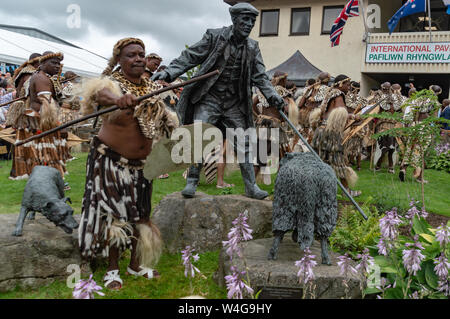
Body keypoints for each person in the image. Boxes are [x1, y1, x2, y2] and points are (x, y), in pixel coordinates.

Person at [152, 2, 285, 200]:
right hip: (209, 98)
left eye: (252, 21)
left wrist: (272, 94)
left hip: (235, 103)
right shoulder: (214, 36)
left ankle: (251, 187)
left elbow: (260, 76)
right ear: (234, 19)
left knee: (245, 143)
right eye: (245, 20)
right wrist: (170, 72)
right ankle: (192, 182)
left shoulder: (252, 47)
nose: (249, 24)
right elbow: (191, 56)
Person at [78, 38, 175, 290]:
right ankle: (112, 269)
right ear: (119, 60)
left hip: (143, 164)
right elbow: (98, 93)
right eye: (131, 55)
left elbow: (164, 121)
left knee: (141, 215)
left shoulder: (151, 87)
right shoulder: (110, 84)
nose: (139, 59)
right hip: (110, 161)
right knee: (115, 217)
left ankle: (135, 264)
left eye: (141, 54)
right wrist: (118, 99)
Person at [310, 74, 361, 197]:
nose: (349, 87)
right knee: (339, 161)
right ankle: (347, 192)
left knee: (321, 161)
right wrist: (355, 116)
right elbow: (341, 113)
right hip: (331, 133)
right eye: (347, 84)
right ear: (340, 84)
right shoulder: (338, 94)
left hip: (321, 131)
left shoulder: (329, 94)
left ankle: (314, 189)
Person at [399, 85, 442, 183]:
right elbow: (435, 119)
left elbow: (408, 114)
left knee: (410, 148)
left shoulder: (418, 100)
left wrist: (407, 128)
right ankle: (419, 176)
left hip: (415, 126)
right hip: (425, 128)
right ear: (438, 93)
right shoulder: (435, 103)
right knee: (422, 151)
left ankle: (403, 169)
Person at [374, 82, 403, 174]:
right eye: (384, 88)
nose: (385, 90)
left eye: (387, 88)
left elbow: (400, 111)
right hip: (383, 125)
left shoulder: (397, 99)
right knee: (384, 146)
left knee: (392, 147)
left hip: (393, 125)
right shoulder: (380, 98)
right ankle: (379, 164)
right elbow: (377, 111)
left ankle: (390, 166)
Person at [297, 72, 331, 144]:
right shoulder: (329, 90)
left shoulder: (310, 89)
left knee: (304, 143)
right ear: (328, 80)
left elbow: (300, 105)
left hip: (305, 121)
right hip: (318, 122)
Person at [344, 81, 367, 170]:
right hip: (358, 123)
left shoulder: (345, 98)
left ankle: (348, 162)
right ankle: (358, 165)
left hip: (349, 122)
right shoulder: (363, 99)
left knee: (347, 142)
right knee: (358, 144)